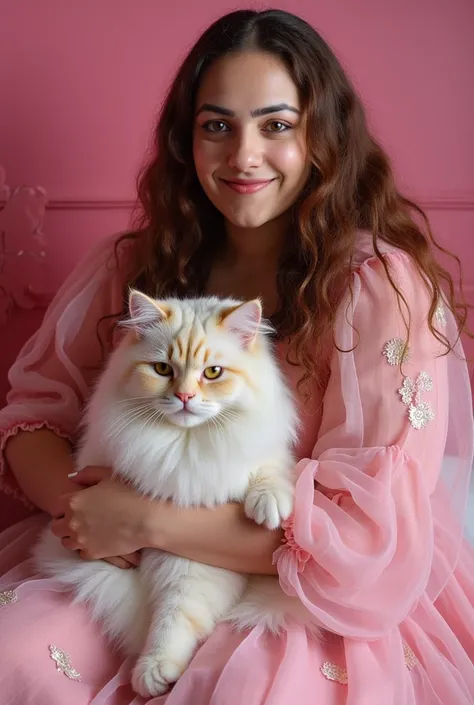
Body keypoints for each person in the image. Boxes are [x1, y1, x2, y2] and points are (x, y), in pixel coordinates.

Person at [0, 8, 473, 705]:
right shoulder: (131, 268)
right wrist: (86, 512)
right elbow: (32, 418)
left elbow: (364, 541)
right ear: (187, 141)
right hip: (117, 562)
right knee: (18, 655)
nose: (243, 155)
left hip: (301, 593)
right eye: (217, 125)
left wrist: (147, 519)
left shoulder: (377, 288)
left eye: (276, 125)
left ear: (321, 137)